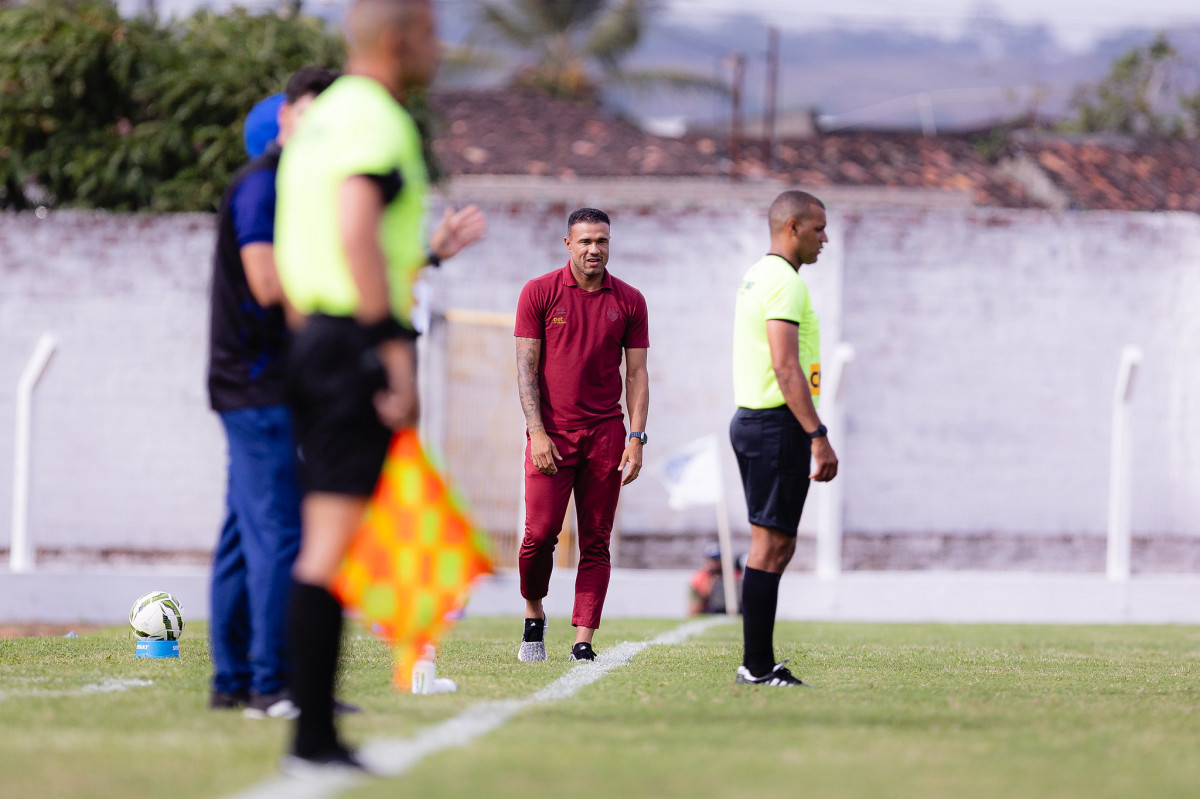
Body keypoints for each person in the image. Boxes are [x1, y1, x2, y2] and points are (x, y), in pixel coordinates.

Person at [273, 0, 485, 772]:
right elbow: (356, 228)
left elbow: (309, 241)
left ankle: (315, 733)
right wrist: (392, 354)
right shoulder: (376, 119)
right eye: (432, 30)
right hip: (354, 340)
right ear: (400, 40)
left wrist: (319, 341)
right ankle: (313, 739)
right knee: (328, 545)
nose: (443, 44)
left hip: (318, 338)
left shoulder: (320, 121)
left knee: (335, 537)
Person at [206, 66, 337, 719]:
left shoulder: (294, 188)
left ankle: (232, 680)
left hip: (260, 385)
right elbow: (266, 284)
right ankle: (272, 683)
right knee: (281, 532)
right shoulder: (263, 187)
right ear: (286, 118)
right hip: (257, 386)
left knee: (243, 531)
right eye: (311, 114)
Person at [514, 207, 650, 663]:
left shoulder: (630, 300)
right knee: (540, 534)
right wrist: (537, 431)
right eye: (586, 241)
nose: (595, 250)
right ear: (568, 244)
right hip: (550, 434)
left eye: (603, 241)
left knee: (596, 539)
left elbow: (637, 375)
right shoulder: (539, 293)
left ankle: (583, 640)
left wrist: (637, 437)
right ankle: (534, 615)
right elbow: (525, 370)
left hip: (606, 436)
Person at [729, 190, 838, 687]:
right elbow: (785, 363)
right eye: (818, 228)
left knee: (772, 545)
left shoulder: (758, 274)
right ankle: (756, 667)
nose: (825, 238)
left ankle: (758, 663)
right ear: (792, 227)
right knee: (772, 547)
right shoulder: (785, 284)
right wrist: (817, 434)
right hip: (776, 425)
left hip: (758, 421)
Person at [688, 542, 742, 615]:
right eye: (710, 559)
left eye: (716, 560)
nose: (713, 563)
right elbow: (693, 611)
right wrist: (706, 592)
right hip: (710, 612)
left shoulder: (734, 576)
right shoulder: (699, 579)